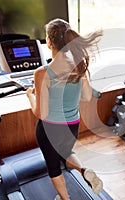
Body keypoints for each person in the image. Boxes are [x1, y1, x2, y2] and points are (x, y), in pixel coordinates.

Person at [26, 18, 103, 200]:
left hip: (50, 128)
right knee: (66, 152)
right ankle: (85, 171)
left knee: (53, 167)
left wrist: (30, 96)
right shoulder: (77, 66)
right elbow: (85, 97)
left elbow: (41, 113)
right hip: (73, 124)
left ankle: (65, 199)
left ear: (49, 42)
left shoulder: (43, 73)